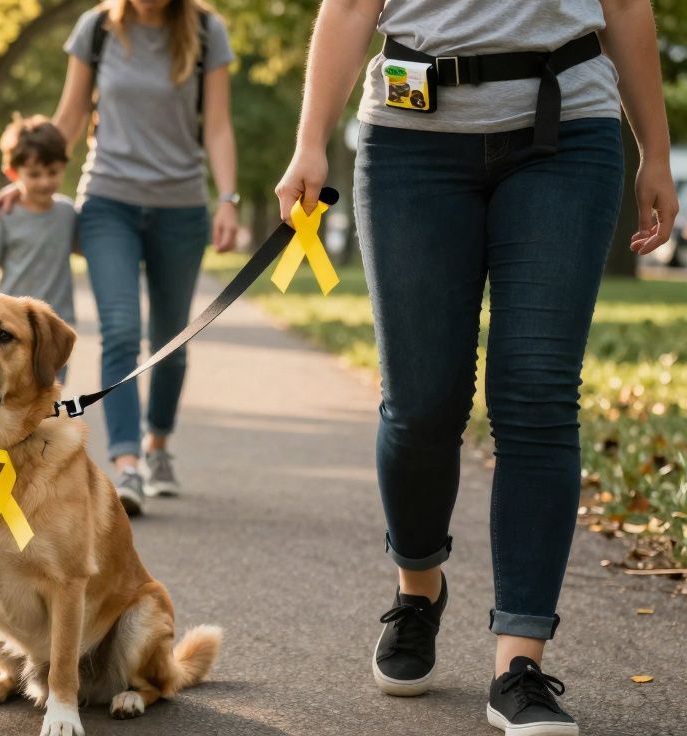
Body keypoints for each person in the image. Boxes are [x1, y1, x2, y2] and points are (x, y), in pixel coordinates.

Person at [275, 1, 676, 733]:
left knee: (537, 393)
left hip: (567, 130)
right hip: (411, 140)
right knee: (423, 403)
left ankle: (519, 665)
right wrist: (310, 142)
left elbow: (623, 3)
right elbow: (352, 5)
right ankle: (418, 592)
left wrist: (655, 146)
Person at [0, 0, 239, 517]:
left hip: (181, 206)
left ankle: (158, 445)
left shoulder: (208, 32)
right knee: (121, 331)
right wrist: (27, 183)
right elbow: (70, 117)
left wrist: (229, 200)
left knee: (172, 340)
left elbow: (216, 125)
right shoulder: (97, 29)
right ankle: (127, 466)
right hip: (108, 203)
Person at [0, 115, 77, 383]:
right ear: (13, 173)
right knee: (6, 389)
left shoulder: (67, 213)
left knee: (49, 391)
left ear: (64, 166)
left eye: (52, 172)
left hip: (55, 326)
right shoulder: (4, 215)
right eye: (34, 174)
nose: (45, 182)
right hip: (9, 328)